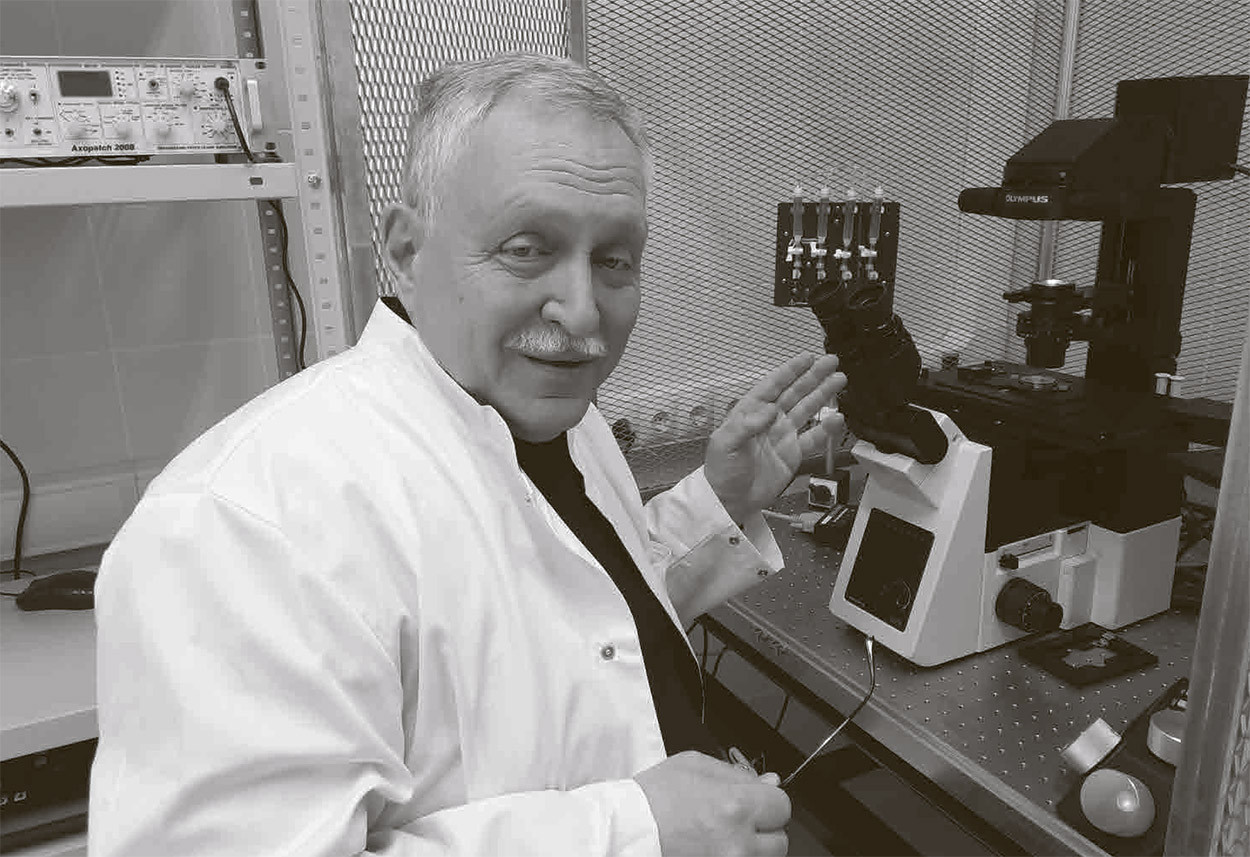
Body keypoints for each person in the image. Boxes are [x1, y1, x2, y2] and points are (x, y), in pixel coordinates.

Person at [88, 53, 846, 856]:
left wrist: (719, 502)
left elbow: (578, 620)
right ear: (405, 251)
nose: (582, 311)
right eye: (526, 247)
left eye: (615, 259)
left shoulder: (555, 414)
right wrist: (633, 831)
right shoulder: (249, 522)